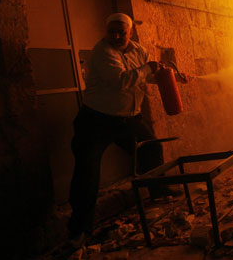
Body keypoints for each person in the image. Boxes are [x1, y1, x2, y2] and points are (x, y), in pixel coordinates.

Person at [68, 13, 178, 246]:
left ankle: (159, 193)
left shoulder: (138, 50)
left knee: (151, 149)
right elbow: (121, 81)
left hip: (129, 119)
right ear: (106, 31)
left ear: (131, 32)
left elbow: (146, 78)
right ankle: (79, 230)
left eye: (122, 32)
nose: (116, 36)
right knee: (87, 172)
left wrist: (171, 78)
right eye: (112, 32)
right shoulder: (102, 52)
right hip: (96, 121)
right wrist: (148, 69)